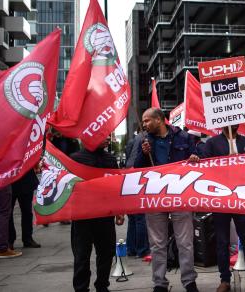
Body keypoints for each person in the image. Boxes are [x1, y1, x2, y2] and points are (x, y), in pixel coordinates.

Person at [133, 108, 201, 292]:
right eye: (144, 121)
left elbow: (196, 161)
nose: (145, 124)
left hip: (180, 196)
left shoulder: (184, 137)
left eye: (148, 120)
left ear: (160, 120)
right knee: (157, 244)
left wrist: (195, 158)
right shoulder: (143, 140)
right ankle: (159, 283)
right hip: (155, 198)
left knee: (185, 242)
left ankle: (189, 281)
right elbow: (136, 168)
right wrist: (143, 153)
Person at [201, 126, 245, 292]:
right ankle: (225, 280)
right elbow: (206, 169)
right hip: (221, 199)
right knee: (222, 241)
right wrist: (226, 161)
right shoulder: (211, 143)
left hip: (242, 198)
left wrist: (240, 163)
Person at [70, 137, 124, 292]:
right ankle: (81, 288)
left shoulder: (111, 159)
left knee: (106, 253)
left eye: (108, 134)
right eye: (103, 135)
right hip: (82, 216)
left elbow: (116, 186)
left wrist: (119, 211)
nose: (107, 138)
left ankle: (102, 285)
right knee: (81, 255)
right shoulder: (75, 159)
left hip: (104, 214)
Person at [125, 127, 149, 259]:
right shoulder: (146, 139)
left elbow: (128, 156)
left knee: (133, 218)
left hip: (129, 175)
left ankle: (131, 248)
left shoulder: (132, 140)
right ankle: (142, 249)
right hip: (138, 175)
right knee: (140, 217)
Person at [9, 168, 41, 249]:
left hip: (25, 178)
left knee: (27, 211)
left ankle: (27, 239)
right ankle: (9, 240)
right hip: (10, 179)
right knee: (8, 213)